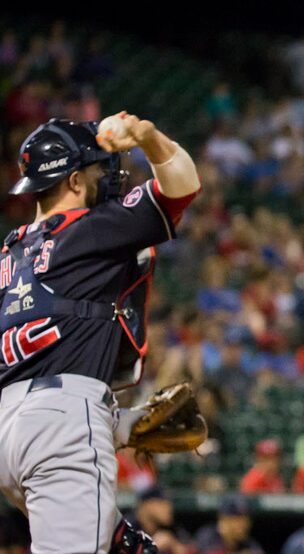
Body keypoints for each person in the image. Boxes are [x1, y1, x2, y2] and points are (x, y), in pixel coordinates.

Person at [0, 113, 200, 552]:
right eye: (96, 170)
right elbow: (183, 184)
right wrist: (148, 136)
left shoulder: (9, 253)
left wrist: (120, 426)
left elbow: (40, 381)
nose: (106, 179)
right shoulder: (88, 231)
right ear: (73, 181)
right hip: (63, 425)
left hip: (9, 433)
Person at [194, 494, 265, 554]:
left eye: (246, 520)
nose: (244, 525)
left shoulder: (248, 544)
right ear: (223, 519)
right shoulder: (207, 536)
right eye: (238, 520)